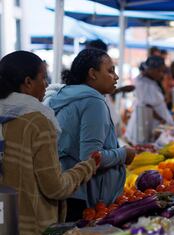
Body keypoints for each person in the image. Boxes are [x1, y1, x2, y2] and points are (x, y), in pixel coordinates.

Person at [0, 51, 100, 235]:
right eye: (43, 78)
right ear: (28, 82)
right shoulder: (37, 122)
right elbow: (55, 188)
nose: (46, 84)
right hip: (29, 232)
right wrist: (86, 167)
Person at [44, 49, 137, 221]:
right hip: (83, 197)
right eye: (110, 71)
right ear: (92, 73)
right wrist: (124, 154)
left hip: (69, 190)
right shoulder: (93, 101)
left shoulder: (68, 95)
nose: (116, 77)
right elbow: (90, 157)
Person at [126, 56, 174, 144]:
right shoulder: (142, 83)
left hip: (155, 121)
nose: (161, 74)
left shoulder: (151, 80)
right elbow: (147, 107)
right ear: (150, 70)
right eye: (159, 71)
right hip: (148, 122)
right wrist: (161, 119)